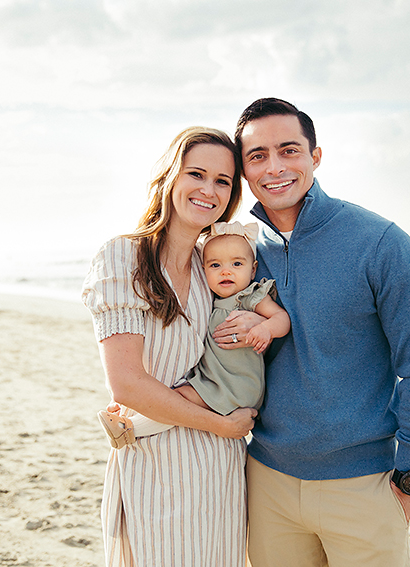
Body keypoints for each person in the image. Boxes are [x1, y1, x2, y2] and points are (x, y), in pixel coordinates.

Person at [214, 98, 410, 566]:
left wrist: (409, 477)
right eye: (258, 155)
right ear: (244, 169)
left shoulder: (381, 243)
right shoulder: (238, 255)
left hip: (364, 485)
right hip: (267, 482)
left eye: (289, 150)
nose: (275, 167)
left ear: (315, 157)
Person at [81, 127, 257, 567]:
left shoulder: (211, 266)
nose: (208, 189)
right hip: (157, 462)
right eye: (196, 174)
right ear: (170, 177)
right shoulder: (124, 257)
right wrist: (219, 425)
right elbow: (127, 385)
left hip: (221, 469)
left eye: (222, 181)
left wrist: (256, 318)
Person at [98, 220, 291, 449]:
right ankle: (130, 419)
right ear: (203, 269)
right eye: (215, 265)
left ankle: (130, 429)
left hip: (236, 385)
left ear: (253, 269)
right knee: (178, 399)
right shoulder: (209, 297)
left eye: (237, 264)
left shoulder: (249, 296)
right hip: (213, 378)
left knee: (180, 399)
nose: (226, 271)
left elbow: (283, 319)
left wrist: (265, 329)